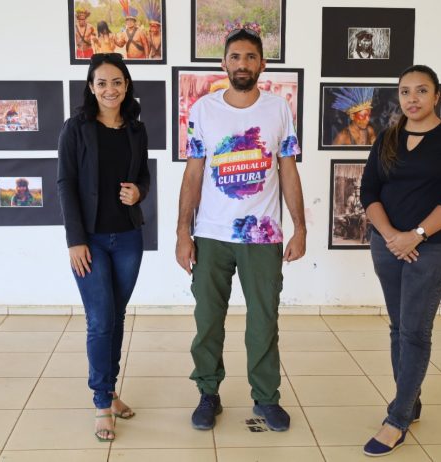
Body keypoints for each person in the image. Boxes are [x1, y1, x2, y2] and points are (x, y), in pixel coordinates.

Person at [176, 27, 306, 433]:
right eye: (235, 57)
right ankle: (207, 393)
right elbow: (193, 174)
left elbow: (289, 171)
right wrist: (182, 233)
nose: (242, 64)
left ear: (262, 64)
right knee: (208, 320)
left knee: (263, 321)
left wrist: (300, 228)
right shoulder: (203, 110)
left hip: (262, 235)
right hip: (211, 234)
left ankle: (266, 398)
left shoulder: (279, 110)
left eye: (250, 57)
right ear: (224, 63)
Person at [360, 64, 441, 457]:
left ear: (437, 96)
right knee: (398, 329)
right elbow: (369, 191)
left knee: (414, 332)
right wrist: (393, 236)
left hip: (432, 249)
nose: (413, 98)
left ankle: (397, 420)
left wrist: (416, 235)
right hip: (388, 247)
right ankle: (410, 401)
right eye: (405, 91)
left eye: (422, 90)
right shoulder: (387, 138)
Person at [57, 52, 150, 442]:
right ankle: (100, 402)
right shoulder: (76, 128)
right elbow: (65, 183)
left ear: (126, 85)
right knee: (100, 320)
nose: (110, 89)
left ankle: (110, 392)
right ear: (91, 87)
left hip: (128, 238)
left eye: (116, 82)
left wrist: (138, 192)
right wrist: (75, 240)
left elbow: (143, 175)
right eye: (102, 83)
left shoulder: (136, 129)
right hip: (91, 240)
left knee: (117, 315)